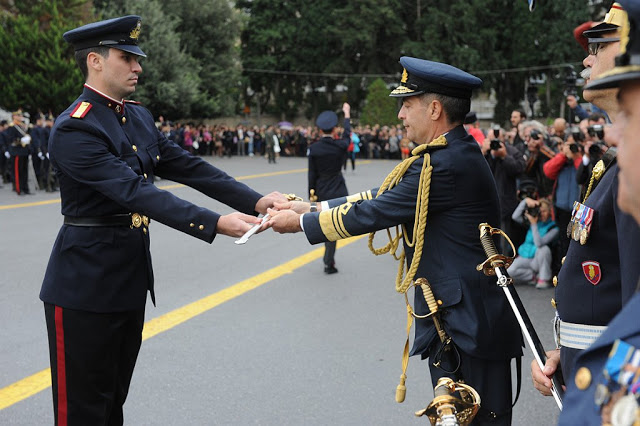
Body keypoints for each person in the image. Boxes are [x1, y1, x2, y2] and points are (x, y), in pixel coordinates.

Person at [39, 16, 285, 425]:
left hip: (128, 283)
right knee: (82, 412)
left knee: (113, 402)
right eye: (126, 57)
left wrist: (258, 201)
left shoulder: (137, 117)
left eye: (137, 58)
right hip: (83, 286)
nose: (138, 67)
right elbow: (135, 192)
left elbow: (190, 167)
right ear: (95, 61)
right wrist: (215, 223)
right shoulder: (75, 127)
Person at [268, 56, 522, 424]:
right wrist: (312, 206)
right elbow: (382, 195)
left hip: (470, 325)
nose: (400, 114)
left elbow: (376, 211)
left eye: (407, 104)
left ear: (434, 109)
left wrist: (302, 223)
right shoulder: (447, 154)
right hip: (458, 318)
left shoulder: (445, 163)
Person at [531, 1, 640, 401]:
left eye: (598, 46)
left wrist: (608, 410)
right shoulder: (616, 167)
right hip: (589, 368)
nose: (586, 59)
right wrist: (570, 351)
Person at [308, 104, 351, 274]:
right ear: (334, 129)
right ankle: (329, 260)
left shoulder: (314, 148)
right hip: (339, 190)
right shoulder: (339, 145)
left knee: (327, 225)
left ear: (319, 130)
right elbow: (347, 135)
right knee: (335, 227)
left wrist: (311, 195)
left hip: (321, 190)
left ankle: (328, 258)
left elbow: (311, 175)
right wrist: (347, 115)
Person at [507, 198, 559, 289]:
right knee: (508, 271)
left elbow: (539, 243)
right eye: (540, 211)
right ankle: (533, 277)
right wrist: (525, 201)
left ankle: (544, 278)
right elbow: (515, 217)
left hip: (539, 260)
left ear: (550, 212)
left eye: (544, 211)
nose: (541, 214)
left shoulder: (554, 228)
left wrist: (534, 224)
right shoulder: (532, 221)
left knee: (544, 249)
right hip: (526, 257)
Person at [2, 110, 33, 195]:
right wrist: (21, 140)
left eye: (20, 115)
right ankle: (19, 189)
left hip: (24, 151)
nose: (20, 116)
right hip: (17, 152)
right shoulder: (12, 127)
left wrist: (27, 140)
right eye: (18, 115)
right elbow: (11, 140)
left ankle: (25, 188)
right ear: (14, 116)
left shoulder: (22, 126)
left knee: (24, 171)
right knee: (17, 172)